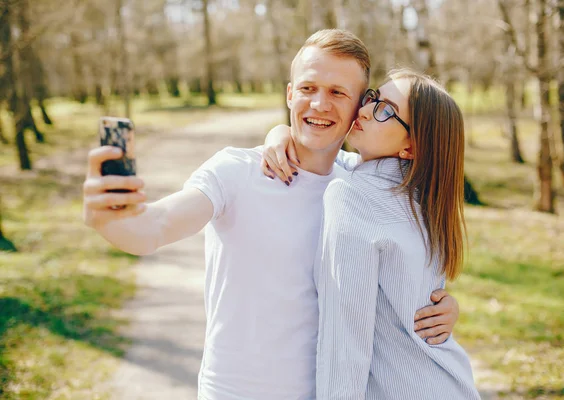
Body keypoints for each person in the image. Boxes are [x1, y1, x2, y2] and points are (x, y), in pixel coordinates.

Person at [83, 30, 460, 400]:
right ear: (289, 93)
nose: (319, 104)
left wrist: (445, 306)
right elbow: (152, 228)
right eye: (308, 88)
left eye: (337, 93)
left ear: (358, 108)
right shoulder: (236, 171)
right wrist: (111, 218)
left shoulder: (356, 185)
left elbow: (405, 265)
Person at [262, 69, 480, 399]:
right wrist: (280, 133)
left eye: (386, 111)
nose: (365, 110)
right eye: (374, 97)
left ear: (411, 146)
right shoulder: (421, 198)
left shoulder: (352, 196)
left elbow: (345, 335)